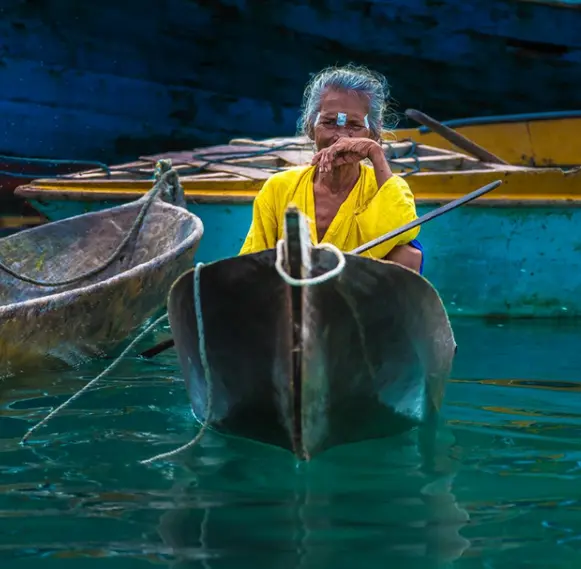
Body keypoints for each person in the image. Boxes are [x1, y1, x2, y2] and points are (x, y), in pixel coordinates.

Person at [239, 63, 424, 273]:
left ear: (372, 133)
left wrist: (377, 155)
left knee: (407, 254)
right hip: (289, 296)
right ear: (310, 128)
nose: (341, 137)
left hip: (358, 300)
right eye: (329, 122)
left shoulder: (386, 187)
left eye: (354, 126)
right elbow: (252, 261)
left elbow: (405, 233)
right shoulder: (279, 187)